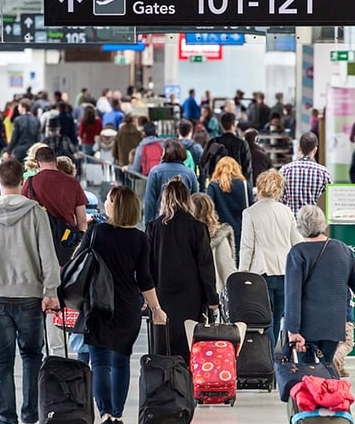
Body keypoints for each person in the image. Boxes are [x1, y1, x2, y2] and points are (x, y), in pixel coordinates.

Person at [0, 159, 61, 424]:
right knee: (32, 356)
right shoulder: (36, 213)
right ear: (23, 182)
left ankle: (6, 418)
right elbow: (48, 256)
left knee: (2, 360)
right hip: (30, 296)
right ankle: (30, 415)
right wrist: (50, 290)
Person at [77, 186, 168, 424]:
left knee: (99, 362)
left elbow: (78, 262)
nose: (105, 202)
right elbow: (145, 279)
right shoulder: (139, 238)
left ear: (116, 205)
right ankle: (117, 414)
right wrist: (156, 308)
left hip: (97, 306)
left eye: (108, 199)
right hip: (128, 308)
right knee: (121, 361)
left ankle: (105, 413)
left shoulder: (96, 233)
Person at [284, 205, 355, 369]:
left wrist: (293, 330)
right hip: (334, 325)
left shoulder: (297, 253)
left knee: (307, 375)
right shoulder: (343, 250)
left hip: (306, 327)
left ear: (300, 226)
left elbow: (292, 295)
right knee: (327, 370)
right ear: (323, 223)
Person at [146, 177, 218, 362]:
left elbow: (148, 266)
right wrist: (212, 298)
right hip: (191, 298)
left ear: (164, 200)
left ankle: (164, 377)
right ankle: (186, 377)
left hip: (161, 296)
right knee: (189, 347)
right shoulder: (198, 228)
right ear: (187, 199)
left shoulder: (153, 228)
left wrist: (146, 297)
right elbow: (205, 266)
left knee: (163, 347)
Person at [239, 169, 302, 355]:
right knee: (279, 318)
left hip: (261, 274)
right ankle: (277, 356)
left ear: (259, 188)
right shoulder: (286, 211)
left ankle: (269, 358)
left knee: (265, 320)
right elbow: (297, 242)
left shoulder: (250, 213)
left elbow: (247, 247)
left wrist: (242, 274)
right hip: (285, 273)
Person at [20, 146, 88, 263]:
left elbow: (22, 212)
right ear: (56, 161)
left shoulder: (30, 182)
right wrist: (80, 240)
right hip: (66, 241)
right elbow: (82, 220)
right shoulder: (73, 183)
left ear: (37, 163)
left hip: (39, 239)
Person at [207, 156, 254, 259]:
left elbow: (209, 209)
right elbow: (251, 207)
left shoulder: (213, 186)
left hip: (221, 232)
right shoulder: (245, 185)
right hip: (241, 229)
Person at [143, 139, 199, 224]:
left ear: (164, 152)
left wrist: (149, 224)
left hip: (161, 221)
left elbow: (149, 201)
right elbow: (195, 199)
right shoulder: (190, 173)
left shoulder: (155, 172)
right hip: (185, 222)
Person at [280, 133, 333, 217]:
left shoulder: (285, 170)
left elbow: (279, 197)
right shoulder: (323, 172)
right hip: (313, 221)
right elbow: (331, 198)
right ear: (315, 150)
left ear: (299, 148)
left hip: (291, 221)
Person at [192, 193, 236, 293]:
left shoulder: (185, 237)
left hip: (190, 293)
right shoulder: (219, 236)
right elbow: (227, 269)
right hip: (213, 291)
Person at [201, 112, 253, 184]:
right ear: (234, 124)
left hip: (217, 183)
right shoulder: (242, 144)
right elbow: (247, 170)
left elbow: (203, 162)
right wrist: (247, 187)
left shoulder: (213, 142)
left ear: (222, 125)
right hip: (237, 183)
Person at [5, 98, 41, 164]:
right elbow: (38, 138)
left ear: (23, 108)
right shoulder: (36, 120)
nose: (18, 108)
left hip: (20, 151)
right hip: (32, 150)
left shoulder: (17, 120)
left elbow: (14, 137)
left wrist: (8, 151)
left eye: (19, 106)